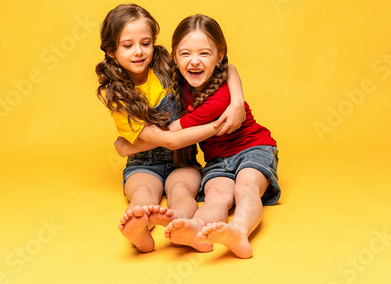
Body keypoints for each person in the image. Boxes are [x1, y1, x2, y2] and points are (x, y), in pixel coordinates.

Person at [115, 14, 280, 259]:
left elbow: (173, 135)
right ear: (174, 57)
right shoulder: (179, 81)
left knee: (246, 187)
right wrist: (239, 100)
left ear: (219, 56)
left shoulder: (218, 99)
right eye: (185, 54)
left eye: (204, 54)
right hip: (217, 160)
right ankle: (195, 228)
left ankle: (240, 230)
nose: (194, 61)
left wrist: (129, 145)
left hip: (252, 148)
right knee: (217, 196)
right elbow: (231, 68)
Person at [95, 4, 246, 253]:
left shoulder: (164, 64)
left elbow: (226, 67)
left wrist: (237, 102)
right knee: (143, 192)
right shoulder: (117, 97)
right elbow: (170, 140)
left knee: (182, 190)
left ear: (154, 43)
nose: (138, 52)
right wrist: (219, 125)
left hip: (182, 160)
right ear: (111, 51)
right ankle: (138, 227)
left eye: (145, 43)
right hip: (143, 163)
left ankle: (179, 222)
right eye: (127, 45)